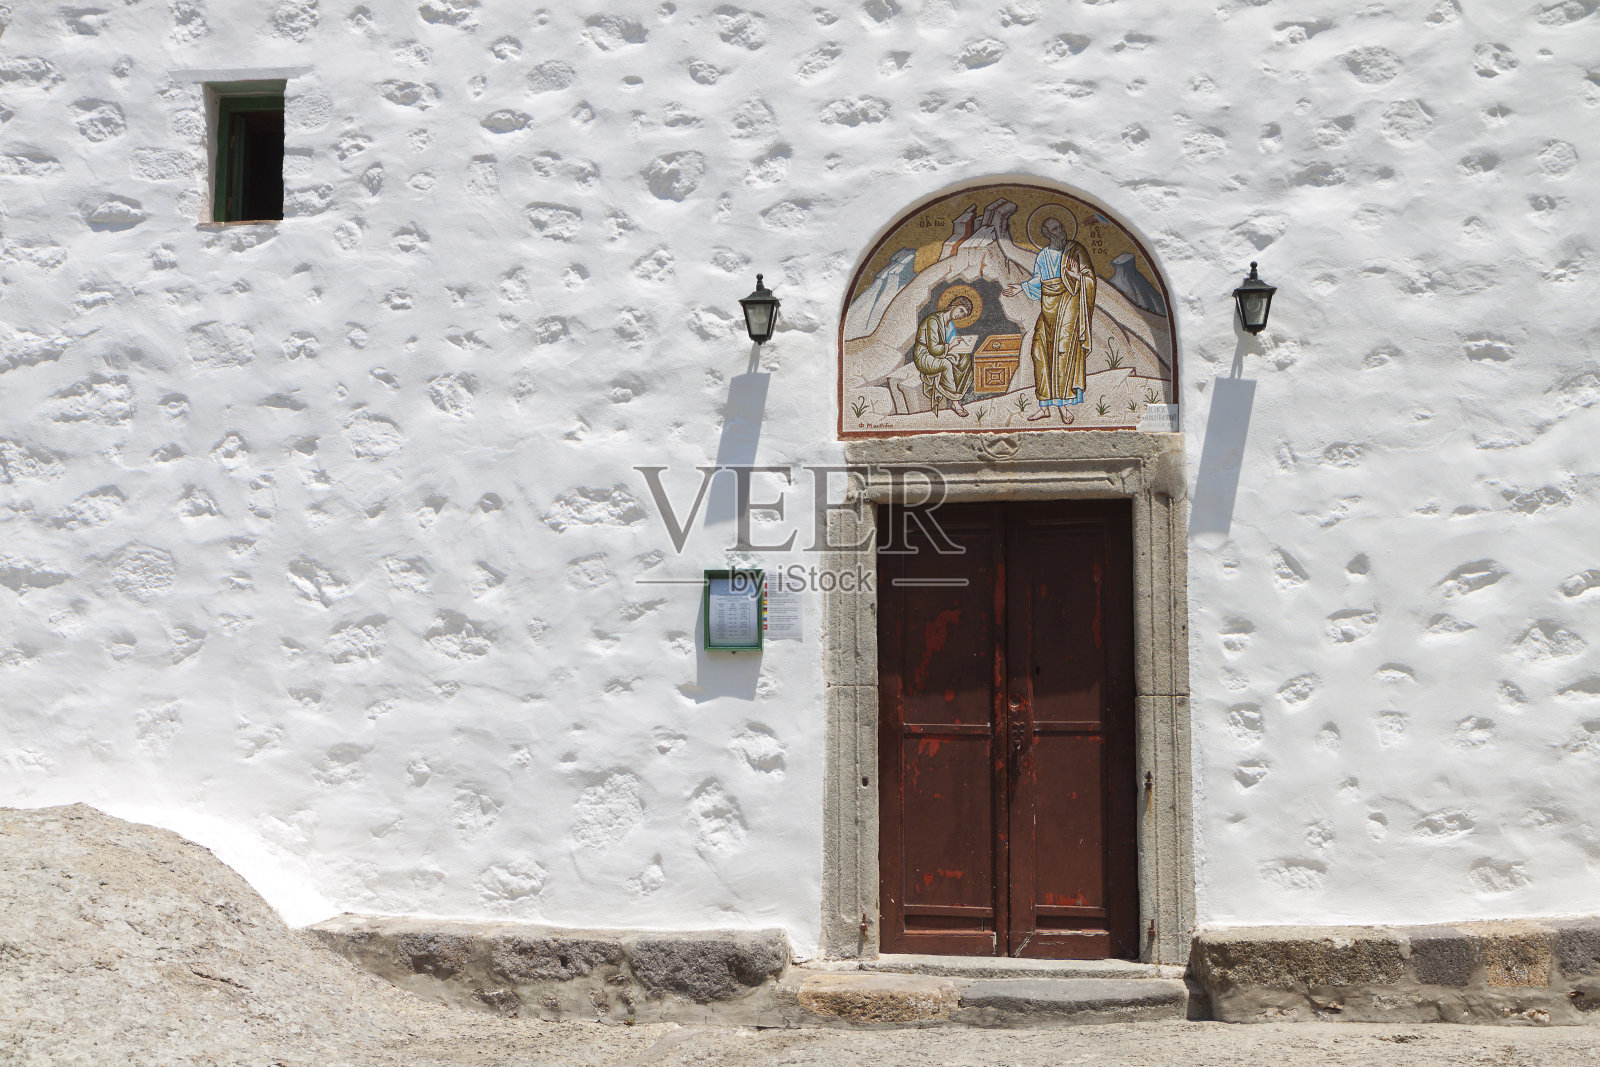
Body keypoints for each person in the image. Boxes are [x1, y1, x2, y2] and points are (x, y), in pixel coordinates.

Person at [1003, 216, 1096, 424]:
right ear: (1047, 234)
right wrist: (1021, 287)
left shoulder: (1075, 250)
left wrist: (1076, 276)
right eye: (1055, 228)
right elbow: (1040, 279)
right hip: (1048, 308)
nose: (1061, 231)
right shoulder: (1044, 255)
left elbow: (1089, 278)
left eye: (1061, 226)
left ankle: (1063, 407)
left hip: (1069, 306)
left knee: (1062, 354)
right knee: (1040, 353)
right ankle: (1044, 406)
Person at [911, 294, 974, 417]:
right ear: (953, 305)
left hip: (940, 353)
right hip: (924, 356)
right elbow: (934, 349)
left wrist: (961, 346)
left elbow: (950, 347)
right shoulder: (933, 320)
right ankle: (955, 403)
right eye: (961, 310)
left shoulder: (950, 325)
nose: (960, 315)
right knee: (946, 364)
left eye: (963, 315)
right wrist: (951, 345)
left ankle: (958, 393)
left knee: (965, 359)